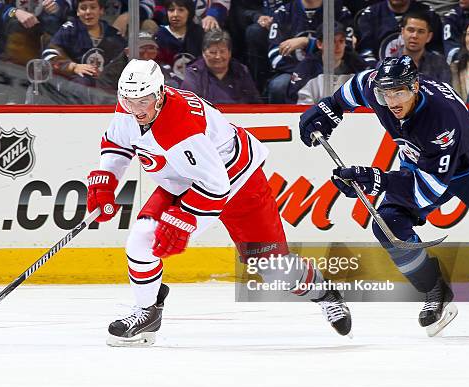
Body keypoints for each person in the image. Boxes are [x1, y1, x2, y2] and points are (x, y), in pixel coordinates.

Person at [87, 59, 353, 346]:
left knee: (273, 268)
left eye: (144, 100)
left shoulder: (179, 127)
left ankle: (325, 294)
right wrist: (106, 179)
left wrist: (183, 219)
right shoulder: (130, 108)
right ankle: (146, 311)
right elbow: (117, 142)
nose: (137, 109)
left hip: (239, 182)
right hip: (185, 180)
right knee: (141, 240)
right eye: (129, 100)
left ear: (160, 93)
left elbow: (216, 186)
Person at [299, 56, 469, 335]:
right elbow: (358, 85)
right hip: (419, 159)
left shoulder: (441, 121)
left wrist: (375, 180)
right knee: (388, 225)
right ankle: (435, 290)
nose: (392, 101)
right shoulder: (379, 89)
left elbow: (428, 189)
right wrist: (330, 107)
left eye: (400, 92)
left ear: (416, 86)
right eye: (386, 93)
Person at [267, 0, 353, 103]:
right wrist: (303, 71)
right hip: (293, 72)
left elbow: (347, 47)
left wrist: (308, 42)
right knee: (279, 85)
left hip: (332, 70)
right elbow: (275, 55)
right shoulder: (283, 13)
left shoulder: (340, 11)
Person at [42, 0, 126, 82]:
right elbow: (49, 55)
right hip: (76, 87)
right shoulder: (69, 30)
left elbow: (123, 63)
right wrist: (73, 67)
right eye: (83, 8)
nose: (88, 12)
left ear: (101, 10)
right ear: (77, 12)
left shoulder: (113, 35)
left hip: (105, 88)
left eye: (93, 7)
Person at [288, 22, 369, 104]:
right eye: (332, 41)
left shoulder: (356, 63)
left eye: (341, 41)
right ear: (319, 44)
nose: (338, 46)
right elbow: (295, 102)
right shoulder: (307, 67)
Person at [181, 29, 261, 104]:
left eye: (222, 51)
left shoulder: (241, 71)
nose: (218, 56)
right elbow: (188, 105)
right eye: (213, 52)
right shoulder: (194, 73)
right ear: (203, 53)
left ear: (229, 53)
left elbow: (255, 104)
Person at [355, 0, 443, 66]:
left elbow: (436, 50)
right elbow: (365, 52)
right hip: (379, 77)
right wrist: (380, 73)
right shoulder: (369, 15)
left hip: (423, 76)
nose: (414, 35)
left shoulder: (429, 14)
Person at [395, 10, 451, 83]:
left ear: (429, 36)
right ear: (402, 32)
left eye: (421, 32)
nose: (414, 36)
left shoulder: (439, 64)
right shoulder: (387, 63)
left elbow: (445, 92)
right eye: (410, 30)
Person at [154, 0, 204, 81]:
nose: (175, 14)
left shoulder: (199, 33)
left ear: (189, 12)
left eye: (181, 10)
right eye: (171, 10)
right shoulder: (160, 35)